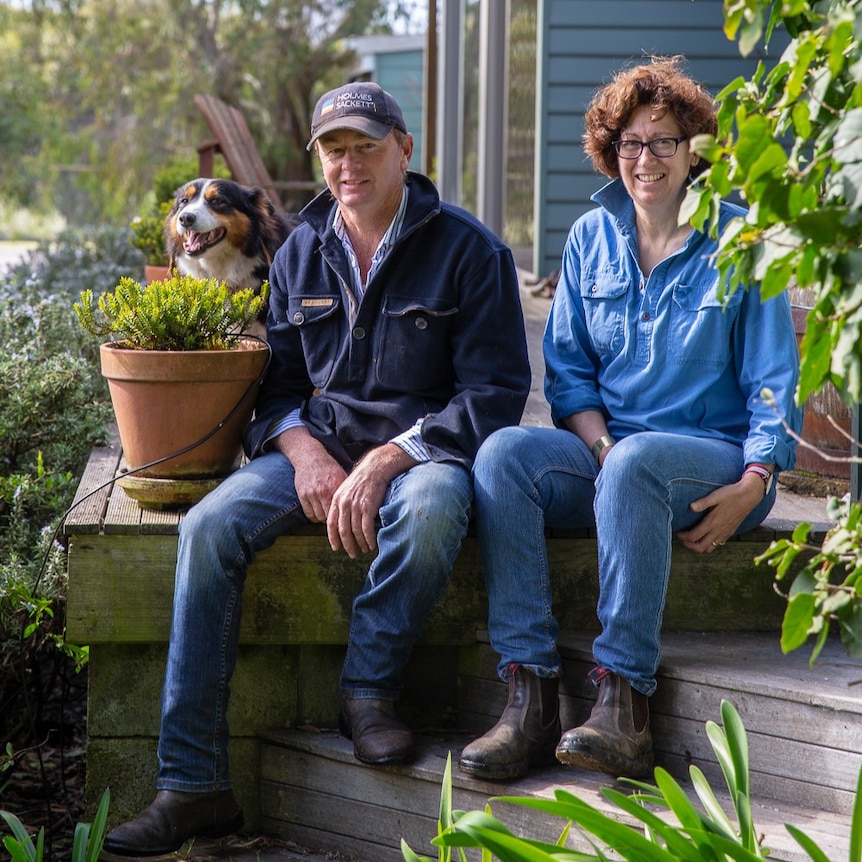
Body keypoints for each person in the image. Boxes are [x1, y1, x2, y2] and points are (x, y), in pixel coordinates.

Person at [102, 81, 531, 855]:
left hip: (423, 453)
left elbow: (495, 394)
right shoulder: (301, 247)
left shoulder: (472, 251)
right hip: (316, 447)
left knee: (434, 510)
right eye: (334, 150)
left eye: (366, 146)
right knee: (207, 527)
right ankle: (192, 783)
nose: (348, 164)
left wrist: (389, 458)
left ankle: (366, 692)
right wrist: (301, 452)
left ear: (404, 149)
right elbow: (278, 387)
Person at [458, 56, 802, 783]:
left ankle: (624, 702)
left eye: (664, 142)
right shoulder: (590, 237)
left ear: (694, 150)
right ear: (611, 153)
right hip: (613, 457)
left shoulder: (740, 240)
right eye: (631, 145)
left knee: (639, 461)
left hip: (717, 461)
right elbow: (571, 377)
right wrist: (604, 446)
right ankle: (530, 694)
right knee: (502, 457)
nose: (645, 160)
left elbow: (774, 379)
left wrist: (757, 476)